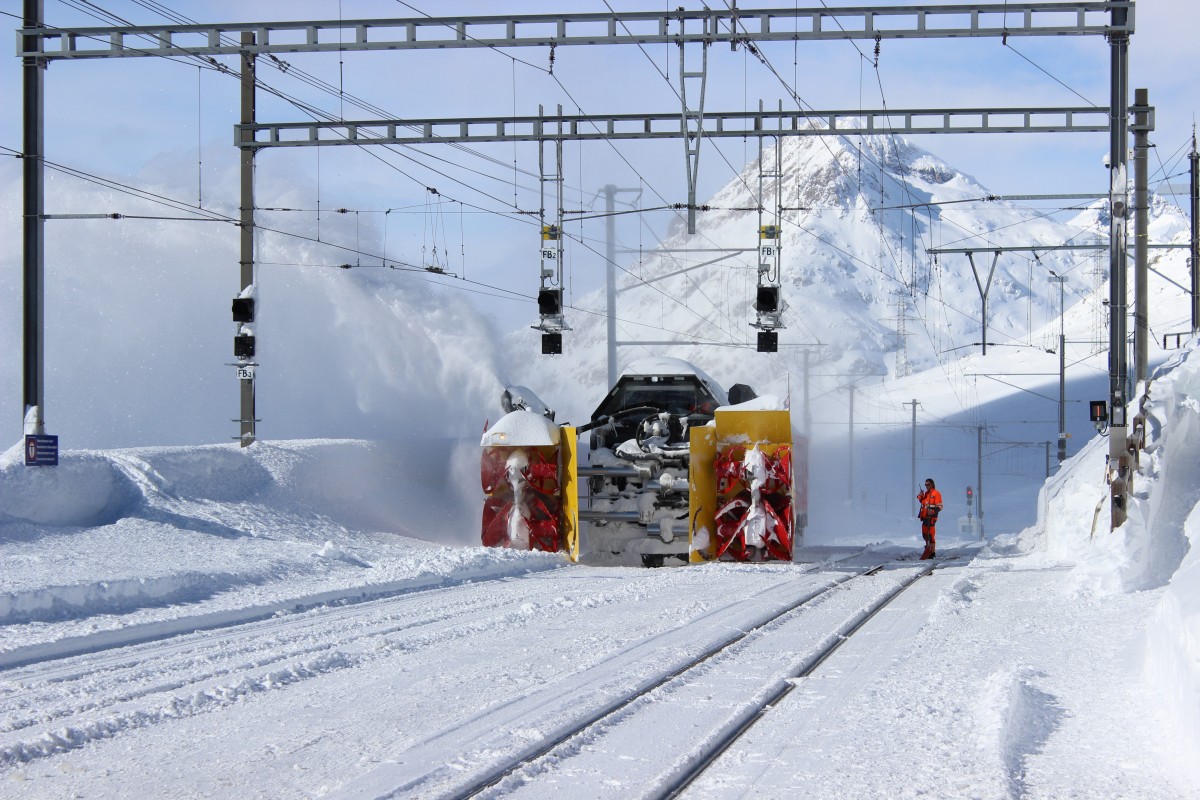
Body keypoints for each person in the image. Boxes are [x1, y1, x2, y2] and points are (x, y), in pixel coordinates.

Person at [917, 478, 943, 560]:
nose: (926, 486)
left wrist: (933, 511)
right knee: (925, 535)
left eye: (928, 484)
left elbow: (940, 506)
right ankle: (928, 548)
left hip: (931, 517)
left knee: (930, 535)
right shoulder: (926, 494)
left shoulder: (936, 494)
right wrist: (920, 495)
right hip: (924, 517)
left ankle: (932, 552)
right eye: (925, 485)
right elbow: (923, 502)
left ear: (932, 484)